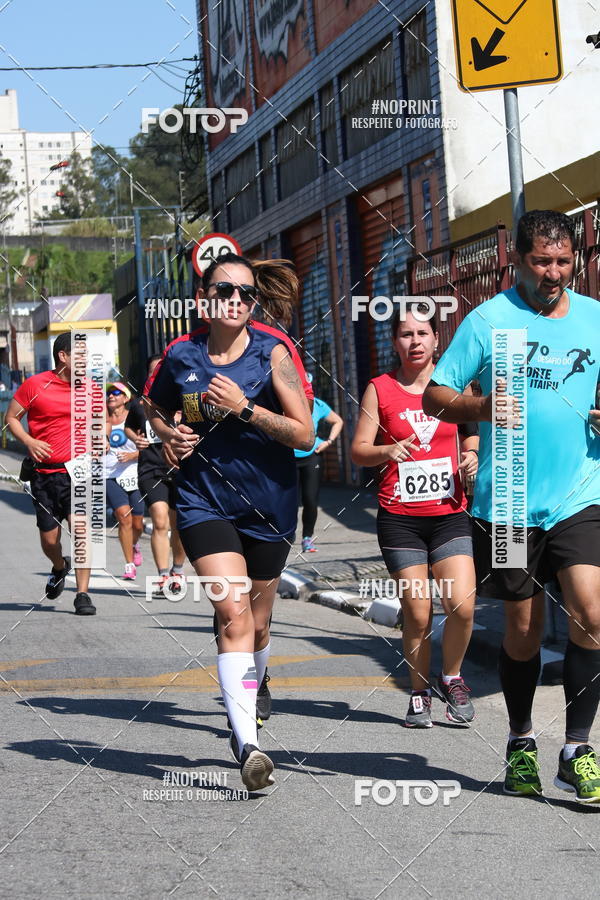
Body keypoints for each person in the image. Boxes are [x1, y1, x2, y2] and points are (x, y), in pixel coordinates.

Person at [423, 209, 600, 803]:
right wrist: (482, 409)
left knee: (592, 615)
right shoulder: (489, 320)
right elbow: (435, 394)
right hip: (510, 500)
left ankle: (576, 749)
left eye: (563, 261)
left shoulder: (595, 318)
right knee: (523, 631)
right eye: (542, 262)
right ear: (518, 261)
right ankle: (522, 740)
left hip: (580, 493)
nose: (554, 273)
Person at [146, 252, 314, 791]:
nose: (237, 301)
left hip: (269, 504)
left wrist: (245, 408)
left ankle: (256, 682)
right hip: (202, 501)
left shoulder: (274, 352)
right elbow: (150, 409)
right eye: (226, 291)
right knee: (231, 608)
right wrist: (167, 436)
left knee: (259, 623)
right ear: (204, 299)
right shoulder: (180, 355)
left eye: (245, 294)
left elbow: (304, 434)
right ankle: (248, 744)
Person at [351, 305, 479, 727]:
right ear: (394, 342)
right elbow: (358, 450)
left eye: (422, 333)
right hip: (399, 517)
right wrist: (386, 451)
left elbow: (471, 426)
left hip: (450, 513)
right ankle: (420, 691)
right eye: (405, 334)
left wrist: (471, 454)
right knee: (419, 611)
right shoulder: (381, 389)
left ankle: (453, 677)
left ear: (436, 339)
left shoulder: (453, 384)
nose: (415, 341)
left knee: (461, 604)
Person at [5, 331, 96, 614]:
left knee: (81, 532)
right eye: (80, 355)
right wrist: (29, 441)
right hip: (44, 474)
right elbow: (11, 418)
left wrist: (99, 439)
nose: (86, 360)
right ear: (64, 356)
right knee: (49, 540)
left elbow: (98, 423)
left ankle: (82, 595)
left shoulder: (90, 388)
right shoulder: (35, 385)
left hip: (78, 473)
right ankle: (60, 566)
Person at [125, 355, 187, 594]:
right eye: (153, 372)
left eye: (162, 371)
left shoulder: (183, 400)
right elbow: (130, 427)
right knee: (159, 519)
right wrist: (135, 438)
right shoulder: (141, 404)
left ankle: (178, 570)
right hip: (151, 467)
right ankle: (163, 575)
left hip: (180, 467)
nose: (157, 375)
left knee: (179, 523)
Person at [295, 377, 344, 552]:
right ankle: (286, 535)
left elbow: (338, 421)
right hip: (287, 459)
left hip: (312, 457)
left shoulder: (317, 404)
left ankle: (307, 538)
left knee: (309, 499)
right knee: (288, 501)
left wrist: (328, 442)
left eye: (306, 387)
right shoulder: (283, 403)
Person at [105, 382, 144, 581]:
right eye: (109, 393)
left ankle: (134, 544)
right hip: (109, 474)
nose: (111, 396)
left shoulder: (134, 418)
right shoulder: (101, 418)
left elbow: (147, 447)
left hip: (134, 473)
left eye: (116, 393)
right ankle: (129, 565)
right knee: (123, 517)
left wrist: (132, 456)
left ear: (126, 398)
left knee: (138, 523)